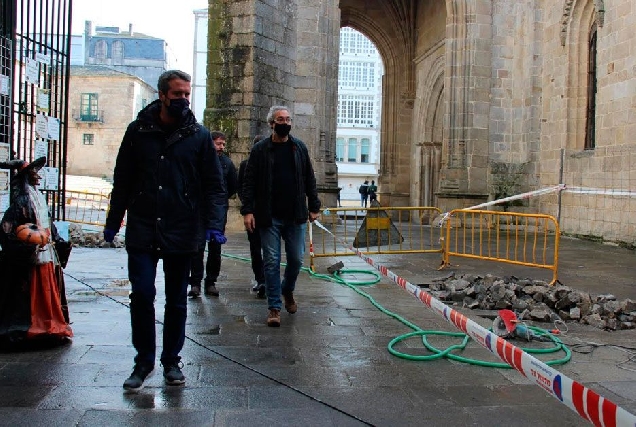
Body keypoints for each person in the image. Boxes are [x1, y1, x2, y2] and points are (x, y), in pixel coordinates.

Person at [103, 70, 227, 392]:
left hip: (182, 227)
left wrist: (214, 224)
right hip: (144, 226)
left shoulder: (199, 135)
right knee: (142, 293)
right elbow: (123, 180)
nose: (183, 100)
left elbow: (214, 186)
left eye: (187, 94)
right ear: (162, 95)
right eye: (177, 95)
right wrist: (113, 221)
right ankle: (143, 362)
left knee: (176, 300)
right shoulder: (137, 132)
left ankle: (171, 360)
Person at [241, 106, 321, 327]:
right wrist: (248, 210)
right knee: (271, 261)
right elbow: (249, 183)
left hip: (295, 216)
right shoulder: (260, 150)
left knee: (296, 259)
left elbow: (309, 178)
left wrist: (314, 205)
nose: (285, 122)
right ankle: (274, 307)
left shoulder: (299, 148)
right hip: (269, 216)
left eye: (288, 119)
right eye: (280, 119)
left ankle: (288, 290)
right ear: (271, 124)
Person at [0, 156, 73, 349]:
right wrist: (27, 243)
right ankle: (31, 326)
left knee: (48, 291)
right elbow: (8, 228)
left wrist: (58, 241)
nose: (37, 175)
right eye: (33, 172)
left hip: (45, 251)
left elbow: (47, 222)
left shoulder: (37, 197)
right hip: (32, 253)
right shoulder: (21, 201)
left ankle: (48, 324)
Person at [188, 131, 237, 298]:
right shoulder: (198, 161)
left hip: (218, 210)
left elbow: (231, 186)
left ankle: (211, 281)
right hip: (199, 209)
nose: (221, 147)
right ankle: (195, 282)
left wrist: (220, 201)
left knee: (215, 248)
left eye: (223, 144)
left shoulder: (227, 164)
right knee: (197, 247)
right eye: (218, 144)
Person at [237, 135, 266, 299]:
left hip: (268, 214)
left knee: (269, 250)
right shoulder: (245, 165)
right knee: (255, 249)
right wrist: (248, 209)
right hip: (253, 213)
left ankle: (268, 280)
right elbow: (241, 188)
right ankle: (260, 279)